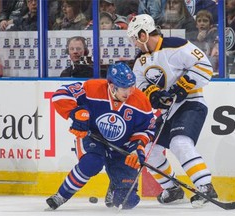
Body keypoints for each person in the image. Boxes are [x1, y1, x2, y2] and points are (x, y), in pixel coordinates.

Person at [125, 14, 218, 208]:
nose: (134, 43)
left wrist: (184, 85)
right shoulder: (140, 61)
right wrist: (154, 95)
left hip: (192, 103)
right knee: (149, 150)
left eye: (135, 37)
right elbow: (140, 85)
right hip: (169, 111)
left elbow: (205, 67)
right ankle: (173, 188)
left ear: (143, 34)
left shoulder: (177, 45)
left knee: (179, 142)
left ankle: (206, 187)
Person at [46, 62, 156, 210]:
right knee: (92, 163)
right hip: (93, 136)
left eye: (131, 86)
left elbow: (147, 129)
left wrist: (137, 148)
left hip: (122, 146)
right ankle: (61, 195)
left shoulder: (141, 100)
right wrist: (76, 113)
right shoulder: (93, 88)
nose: (129, 92)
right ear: (111, 85)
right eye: (124, 88)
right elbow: (60, 94)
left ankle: (115, 184)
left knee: (127, 201)